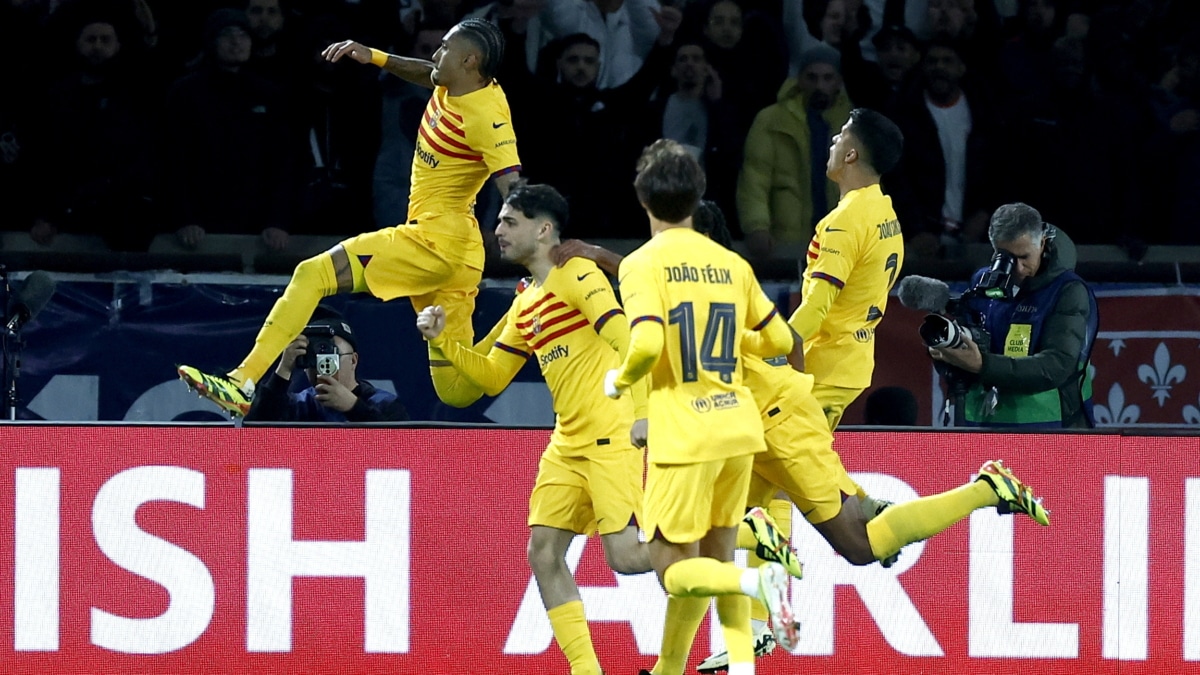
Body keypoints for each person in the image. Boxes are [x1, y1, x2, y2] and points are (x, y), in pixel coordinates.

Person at [555, 199, 1053, 674]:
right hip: (749, 426)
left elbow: (764, 333)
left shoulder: (693, 282)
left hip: (774, 424)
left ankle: (984, 489)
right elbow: (784, 341)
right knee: (703, 548)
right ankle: (681, 659)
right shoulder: (725, 279)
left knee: (857, 546)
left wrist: (788, 396)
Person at [178, 17, 522, 417]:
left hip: (436, 243)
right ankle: (520, 314)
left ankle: (242, 381)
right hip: (456, 257)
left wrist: (527, 244)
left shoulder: (488, 118)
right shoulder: (456, 82)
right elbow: (428, 74)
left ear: (470, 60)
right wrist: (373, 56)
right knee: (457, 390)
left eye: (444, 48)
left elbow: (511, 182)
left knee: (312, 274)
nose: (435, 54)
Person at [415, 183, 651, 675]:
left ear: (543, 229)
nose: (497, 230)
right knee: (543, 552)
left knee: (626, 558)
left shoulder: (578, 274)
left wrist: (644, 409)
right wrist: (441, 343)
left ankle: (732, 533)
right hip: (568, 442)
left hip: (611, 430)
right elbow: (488, 378)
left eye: (509, 221)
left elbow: (629, 340)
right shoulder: (526, 303)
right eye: (499, 221)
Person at [606, 140, 799, 675]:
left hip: (683, 434)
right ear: (698, 197)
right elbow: (780, 339)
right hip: (736, 428)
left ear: (643, 199)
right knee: (718, 559)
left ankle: (757, 581)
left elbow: (644, 344)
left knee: (675, 571)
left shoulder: (642, 264)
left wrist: (619, 381)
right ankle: (736, 665)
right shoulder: (731, 262)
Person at [787, 107, 905, 431]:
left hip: (825, 367)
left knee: (801, 472)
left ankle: (984, 486)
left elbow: (816, 306)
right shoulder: (884, 212)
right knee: (805, 472)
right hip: (851, 362)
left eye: (841, 135)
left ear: (851, 154)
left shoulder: (845, 222)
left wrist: (778, 347)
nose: (834, 140)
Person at [930, 202, 1098, 428]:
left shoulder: (1069, 291)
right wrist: (951, 349)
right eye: (1007, 257)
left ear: (1043, 243)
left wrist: (982, 364)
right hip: (986, 425)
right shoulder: (982, 283)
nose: (1018, 268)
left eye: (1024, 257)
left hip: (1054, 428)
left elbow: (1056, 365)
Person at [737, 44, 853, 260]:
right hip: (786, 243)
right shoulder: (772, 120)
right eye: (812, 77)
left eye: (828, 78)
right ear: (799, 79)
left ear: (838, 81)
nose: (820, 85)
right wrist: (756, 226)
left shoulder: (853, 125)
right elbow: (755, 179)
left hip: (840, 246)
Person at [244, 308, 409, 422]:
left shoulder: (384, 403)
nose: (322, 363)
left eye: (331, 354)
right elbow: (255, 436)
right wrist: (284, 368)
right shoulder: (300, 404)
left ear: (353, 360)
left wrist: (354, 408)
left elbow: (402, 450)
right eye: (313, 356)